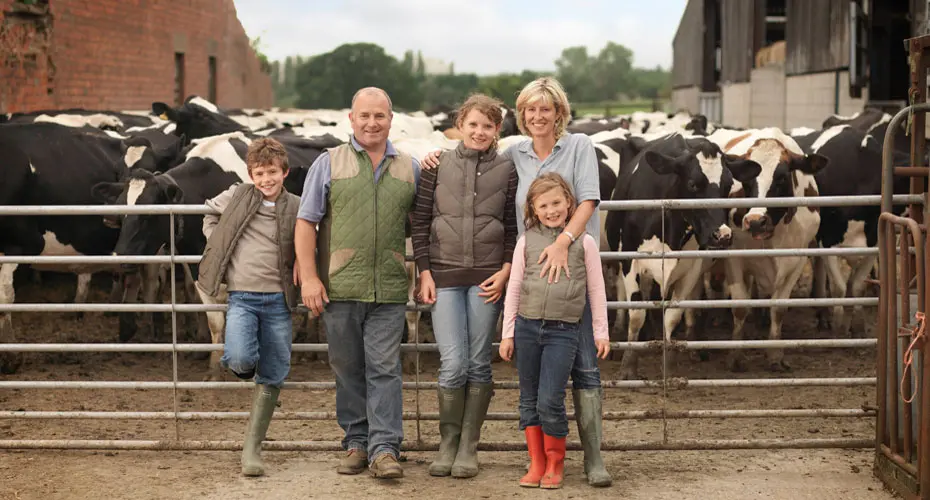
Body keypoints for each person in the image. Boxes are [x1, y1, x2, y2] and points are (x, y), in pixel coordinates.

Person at [423, 77, 613, 486]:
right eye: (530, 109)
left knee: (584, 364)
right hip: (531, 275)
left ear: (559, 112)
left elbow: (589, 200)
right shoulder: (515, 154)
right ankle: (538, 460)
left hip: (574, 267)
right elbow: (484, 179)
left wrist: (564, 242)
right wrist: (433, 157)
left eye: (546, 109)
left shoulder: (579, 146)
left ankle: (594, 459)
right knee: (533, 382)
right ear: (522, 115)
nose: (538, 116)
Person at [294, 87, 420, 480]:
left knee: (384, 367)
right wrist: (310, 276)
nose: (372, 123)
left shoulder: (410, 167)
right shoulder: (327, 163)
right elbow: (305, 222)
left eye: (379, 116)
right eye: (364, 116)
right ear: (351, 119)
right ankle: (356, 441)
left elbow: (423, 226)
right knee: (347, 366)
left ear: (390, 119)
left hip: (389, 286)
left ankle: (385, 449)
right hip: (339, 284)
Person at [410, 93, 519, 478]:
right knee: (453, 364)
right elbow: (420, 222)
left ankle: (469, 448)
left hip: (487, 277)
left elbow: (512, 227)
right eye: (472, 124)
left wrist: (506, 270)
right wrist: (424, 270)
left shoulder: (508, 170)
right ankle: (447, 443)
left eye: (487, 126)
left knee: (478, 364)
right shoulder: (436, 166)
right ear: (459, 124)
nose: (479, 131)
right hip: (443, 276)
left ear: (497, 130)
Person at [196, 137, 301, 477]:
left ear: (284, 172)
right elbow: (210, 213)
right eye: (259, 173)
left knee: (274, 371)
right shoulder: (239, 195)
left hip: (280, 300)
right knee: (240, 357)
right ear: (250, 174)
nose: (266, 179)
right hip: (242, 295)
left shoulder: (296, 205)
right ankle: (242, 365)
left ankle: (252, 449)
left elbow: (310, 235)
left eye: (272, 172)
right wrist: (218, 239)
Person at [499, 172, 610, 489]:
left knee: (550, 399)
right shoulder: (525, 242)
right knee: (528, 399)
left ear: (569, 203)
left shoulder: (584, 242)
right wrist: (508, 333)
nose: (551, 210)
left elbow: (597, 290)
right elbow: (515, 288)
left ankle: (556, 463)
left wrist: (600, 331)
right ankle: (537, 463)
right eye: (543, 205)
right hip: (527, 327)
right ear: (533, 210)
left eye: (557, 203)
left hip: (564, 330)